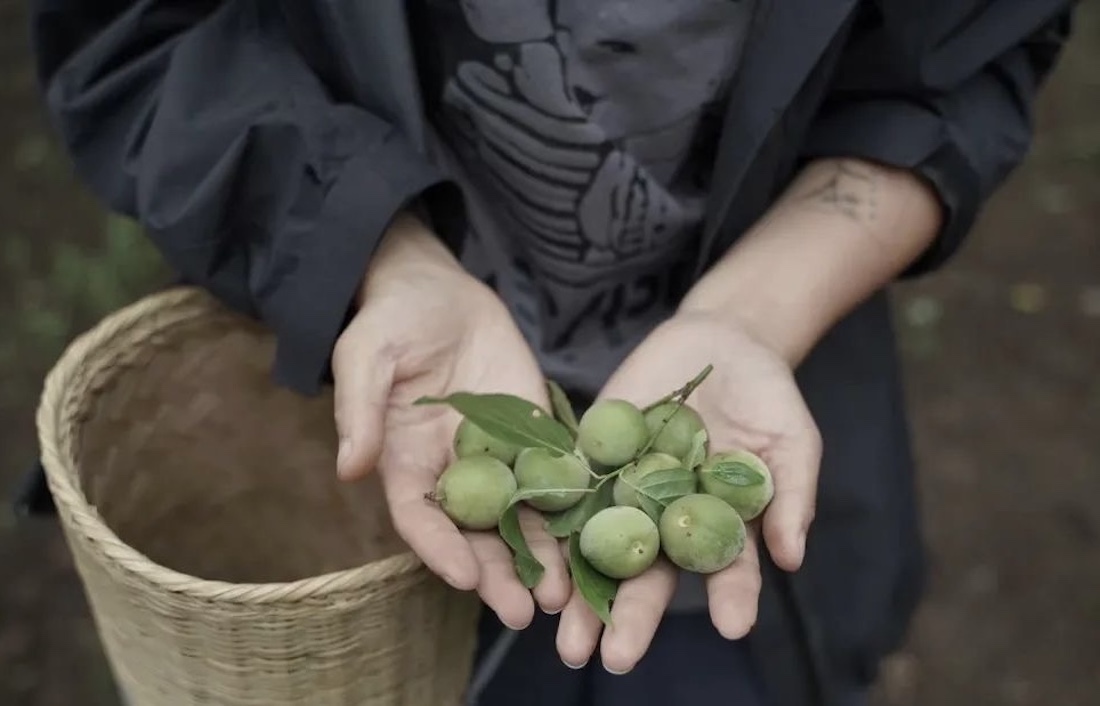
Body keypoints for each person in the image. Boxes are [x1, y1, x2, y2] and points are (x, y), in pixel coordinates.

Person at [28, 1, 1074, 705]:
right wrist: (377, 257)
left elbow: (963, 64)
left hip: (756, 462)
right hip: (356, 444)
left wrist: (752, 316)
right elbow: (140, 33)